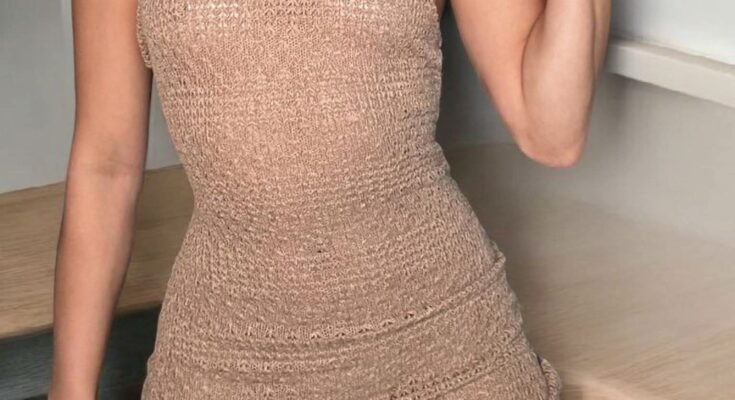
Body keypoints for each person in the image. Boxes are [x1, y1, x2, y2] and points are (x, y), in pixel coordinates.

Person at [49, 0, 610, 399]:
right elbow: (106, 168)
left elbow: (551, 133)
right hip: (226, 356)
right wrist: (69, 391)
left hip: (450, 348)